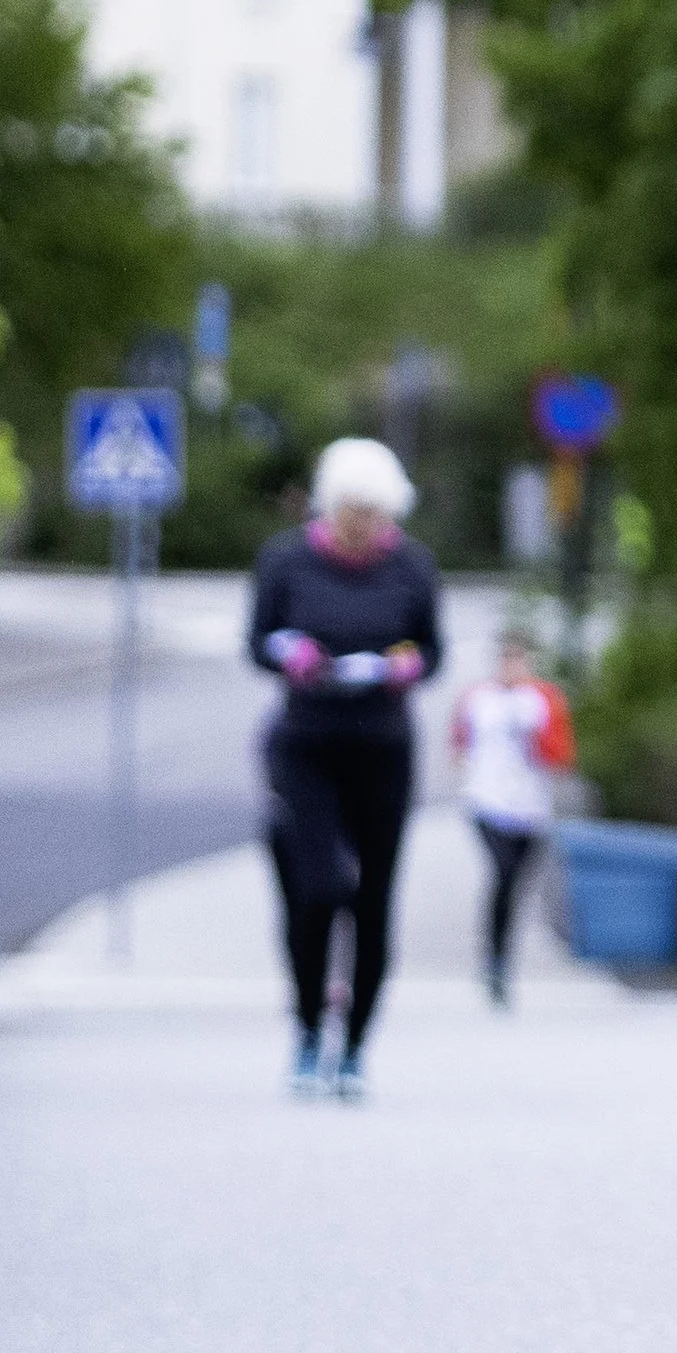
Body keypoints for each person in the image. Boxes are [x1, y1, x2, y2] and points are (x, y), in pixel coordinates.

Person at [248, 436, 443, 1099]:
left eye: (377, 513)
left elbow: (432, 647)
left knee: (374, 898)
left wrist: (406, 664)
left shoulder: (412, 566)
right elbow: (257, 640)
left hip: (383, 745)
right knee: (319, 886)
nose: (365, 526)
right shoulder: (287, 561)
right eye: (355, 511)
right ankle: (307, 1026)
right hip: (308, 741)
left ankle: (356, 1042)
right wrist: (291, 654)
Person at [450, 626, 576, 1005]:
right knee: (502, 873)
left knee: (516, 885)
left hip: (530, 806)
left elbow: (562, 754)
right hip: (487, 801)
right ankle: (494, 959)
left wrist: (535, 739)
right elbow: (459, 743)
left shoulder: (543, 700)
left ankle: (502, 954)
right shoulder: (477, 699)